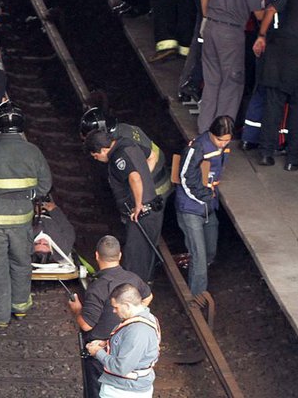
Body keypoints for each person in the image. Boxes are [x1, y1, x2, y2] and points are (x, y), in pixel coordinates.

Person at [0, 102, 51, 328]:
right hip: (22, 221)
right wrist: (28, 194)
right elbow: (45, 186)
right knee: (21, 263)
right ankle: (20, 308)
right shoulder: (33, 152)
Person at [198, 0, 271, 133]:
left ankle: (204, 128)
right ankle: (222, 131)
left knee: (212, 80)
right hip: (231, 33)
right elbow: (258, 14)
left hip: (211, 28)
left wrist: (207, 15)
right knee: (232, 82)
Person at [68, 236, 153, 398]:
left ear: (97, 256)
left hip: (100, 350)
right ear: (120, 255)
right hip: (125, 346)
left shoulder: (98, 287)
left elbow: (86, 325)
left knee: (96, 391)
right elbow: (148, 297)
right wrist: (130, 318)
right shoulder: (133, 278)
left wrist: (77, 309)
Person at [85, 130, 164, 282]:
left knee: (135, 258)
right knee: (145, 256)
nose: (96, 159)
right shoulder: (129, 143)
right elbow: (152, 155)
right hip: (153, 208)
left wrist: (138, 203)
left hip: (142, 213)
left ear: (103, 150)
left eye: (96, 156)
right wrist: (145, 179)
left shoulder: (118, 157)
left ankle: (133, 296)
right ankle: (144, 288)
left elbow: (134, 177)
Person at [242, 0, 298, 150]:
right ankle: (276, 140)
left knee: (260, 89)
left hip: (266, 41)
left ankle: (249, 136)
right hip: (277, 44)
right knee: (278, 95)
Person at [254, 0, 298, 171]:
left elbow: (270, 9)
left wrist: (261, 36)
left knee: (273, 104)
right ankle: (292, 158)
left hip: (279, 49)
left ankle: (265, 153)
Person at [176, 115, 233, 297]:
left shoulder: (220, 147)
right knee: (199, 257)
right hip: (190, 207)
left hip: (208, 205)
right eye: (219, 139)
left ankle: (193, 266)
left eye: (227, 140)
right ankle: (196, 297)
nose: (223, 144)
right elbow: (185, 177)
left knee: (209, 250)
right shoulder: (197, 148)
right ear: (211, 133)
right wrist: (205, 196)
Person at [79, 106, 173, 201]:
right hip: (162, 177)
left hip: (154, 189)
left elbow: (135, 177)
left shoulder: (121, 149)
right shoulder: (124, 129)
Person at [85, 284, 161, 398]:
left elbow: (121, 368)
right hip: (126, 388)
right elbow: (128, 345)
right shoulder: (147, 318)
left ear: (127, 305)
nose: (114, 311)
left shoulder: (137, 331)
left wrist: (98, 352)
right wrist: (105, 344)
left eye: (116, 307)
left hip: (124, 391)